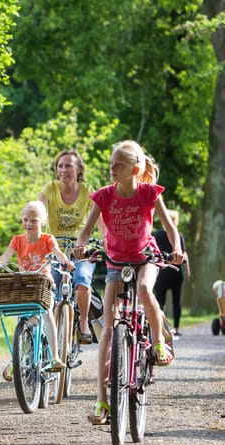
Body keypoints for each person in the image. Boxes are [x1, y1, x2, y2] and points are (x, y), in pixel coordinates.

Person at [74, 139, 184, 425]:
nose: (112, 168)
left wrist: (177, 249)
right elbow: (85, 231)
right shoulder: (103, 196)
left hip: (145, 257)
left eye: (118, 165)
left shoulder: (149, 193)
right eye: (111, 163)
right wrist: (81, 247)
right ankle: (101, 400)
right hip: (115, 261)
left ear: (134, 169)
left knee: (146, 290)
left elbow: (169, 228)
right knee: (109, 329)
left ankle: (159, 342)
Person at [0, 200, 73, 371]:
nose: (28, 224)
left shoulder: (47, 239)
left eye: (33, 220)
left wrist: (66, 262)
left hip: (43, 285)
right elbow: (5, 257)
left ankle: (54, 357)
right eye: (25, 219)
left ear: (42, 222)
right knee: (22, 319)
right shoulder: (17, 240)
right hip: (24, 285)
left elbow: (58, 253)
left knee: (47, 313)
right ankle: (18, 360)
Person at [39, 150, 105, 345]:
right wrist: (36, 227)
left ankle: (84, 325)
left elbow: (99, 220)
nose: (63, 169)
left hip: (80, 251)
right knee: (51, 289)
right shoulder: (50, 189)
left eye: (68, 165)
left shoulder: (87, 191)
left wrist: (106, 239)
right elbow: (40, 211)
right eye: (60, 165)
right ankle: (48, 336)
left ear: (78, 170)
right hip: (55, 252)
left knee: (82, 281)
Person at [153, 209, 190, 337]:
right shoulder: (178, 235)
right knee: (176, 301)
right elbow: (184, 254)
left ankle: (161, 328)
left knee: (159, 301)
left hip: (161, 271)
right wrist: (187, 270)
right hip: (175, 271)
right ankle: (176, 327)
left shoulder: (156, 235)